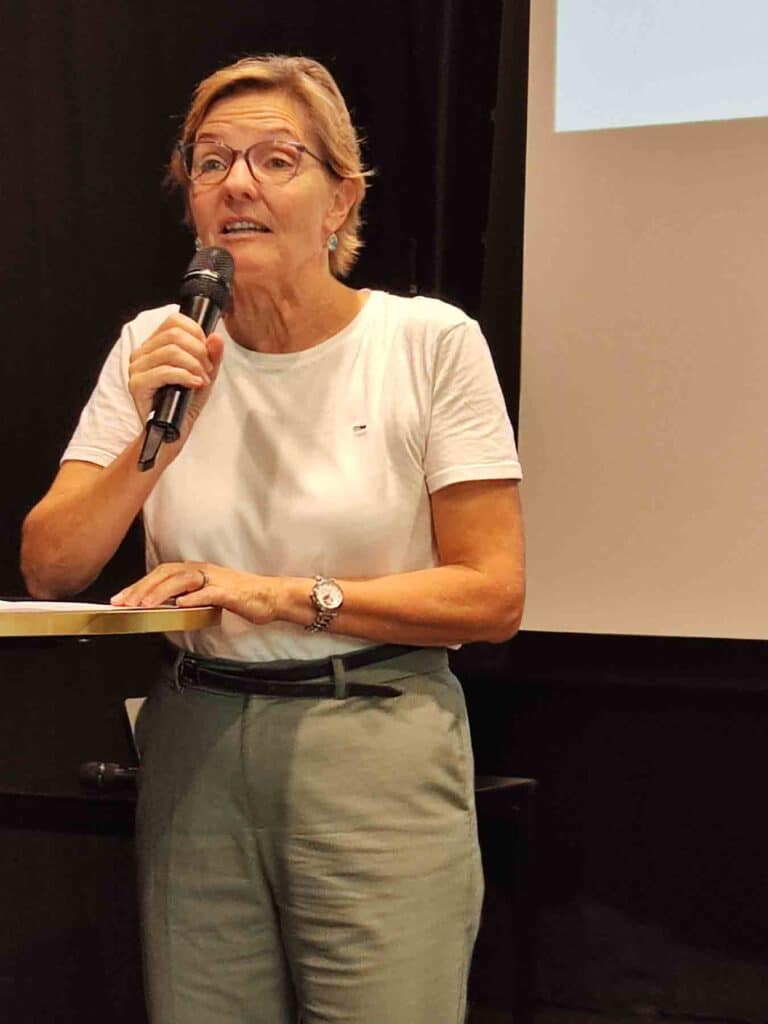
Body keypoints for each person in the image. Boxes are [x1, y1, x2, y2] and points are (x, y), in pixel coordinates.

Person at [21, 54, 525, 1024]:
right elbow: (52, 563)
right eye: (210, 162)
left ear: (341, 199)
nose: (236, 184)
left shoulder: (426, 343)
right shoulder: (154, 347)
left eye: (275, 160)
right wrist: (155, 441)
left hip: (371, 732)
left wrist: (275, 594)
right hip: (196, 737)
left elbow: (493, 593)